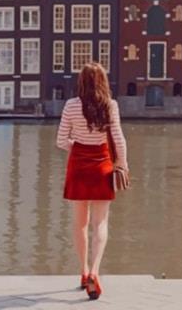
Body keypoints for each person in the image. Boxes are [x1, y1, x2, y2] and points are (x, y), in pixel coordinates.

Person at [56, 62, 129, 300]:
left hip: (78, 165)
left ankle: (83, 270)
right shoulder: (111, 106)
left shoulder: (71, 105)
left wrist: (77, 148)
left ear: (81, 82)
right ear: (103, 82)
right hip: (102, 165)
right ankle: (95, 272)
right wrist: (122, 164)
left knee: (80, 223)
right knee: (101, 223)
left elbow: (60, 140)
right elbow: (118, 139)